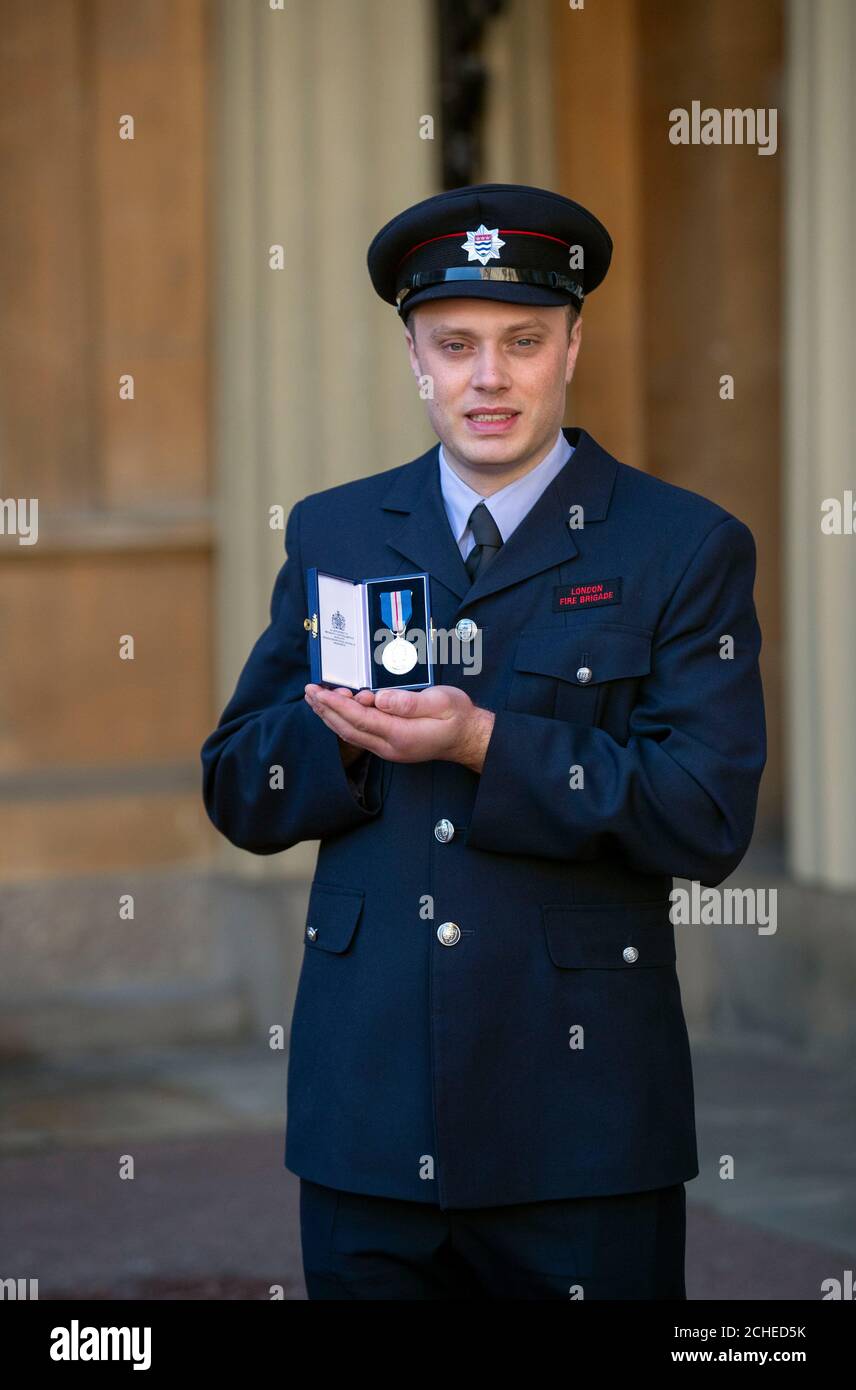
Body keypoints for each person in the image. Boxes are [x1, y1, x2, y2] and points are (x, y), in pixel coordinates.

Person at [200, 182, 767, 1299]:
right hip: (368, 1112)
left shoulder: (682, 544)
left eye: (522, 341)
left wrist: (483, 741)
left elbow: (705, 813)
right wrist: (348, 746)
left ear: (572, 347)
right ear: (413, 357)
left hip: (580, 1124)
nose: (487, 377)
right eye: (453, 344)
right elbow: (237, 782)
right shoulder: (336, 528)